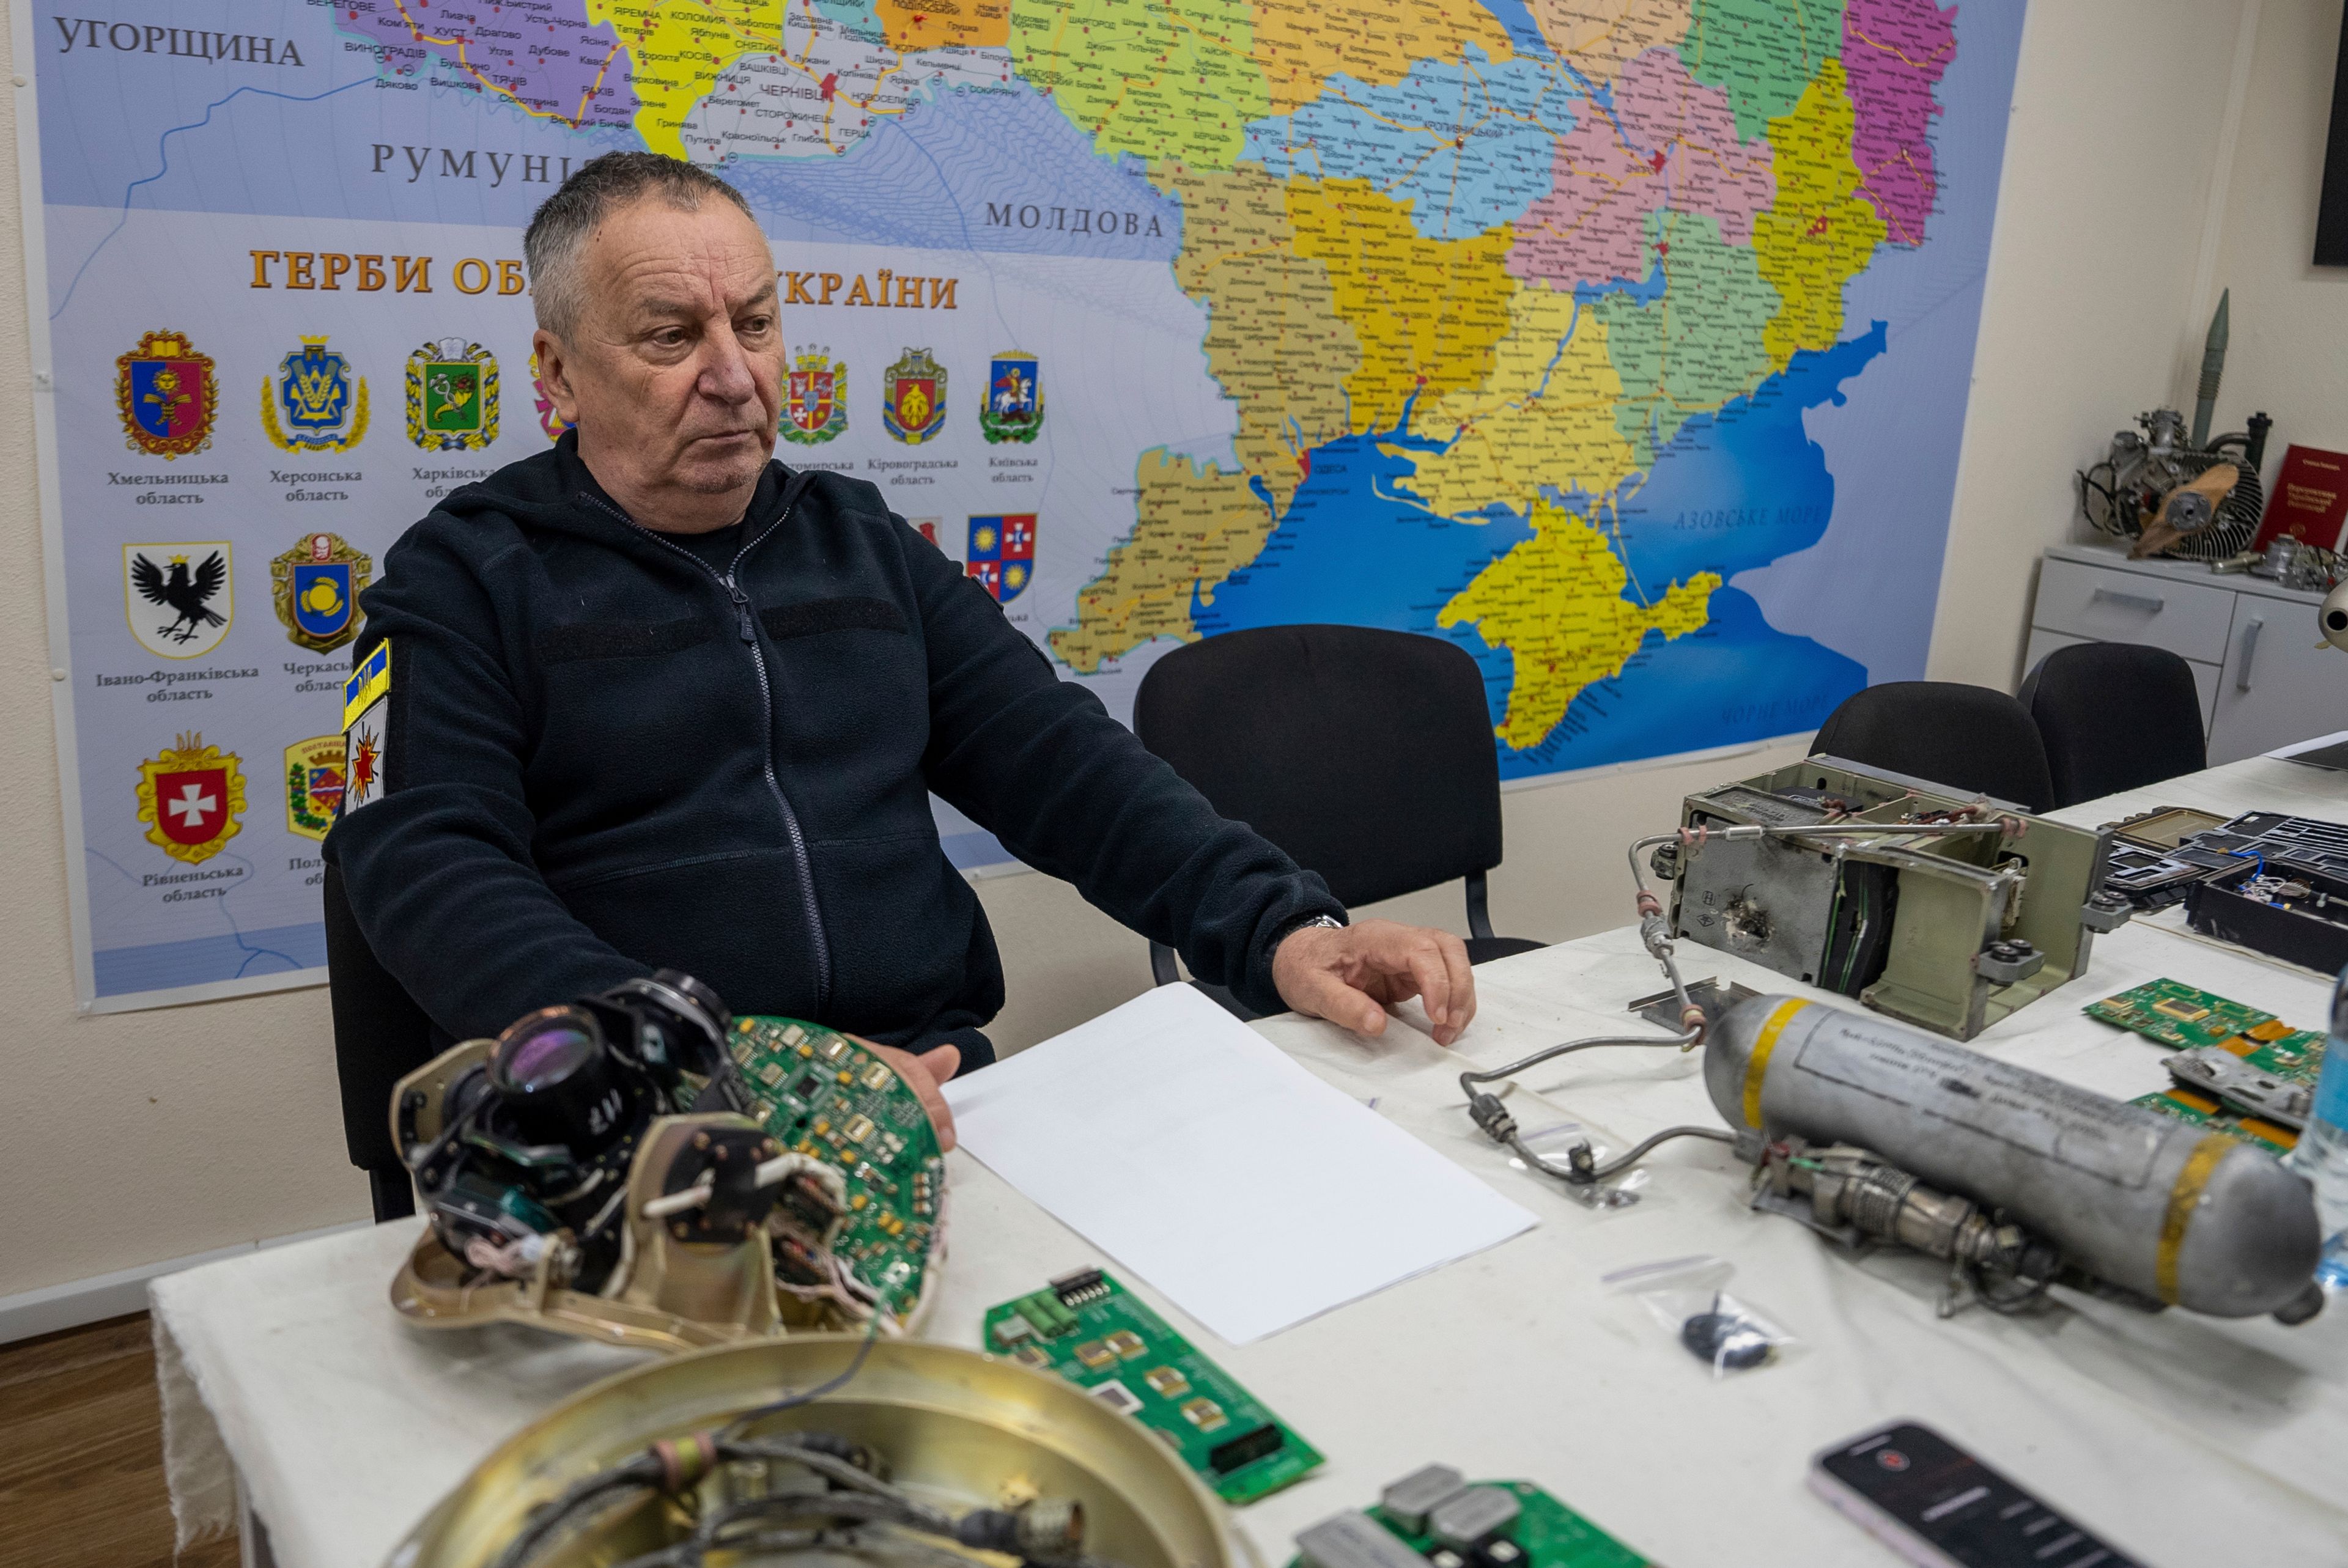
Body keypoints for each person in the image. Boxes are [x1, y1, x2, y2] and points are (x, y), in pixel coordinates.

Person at [325, 152, 1477, 1147]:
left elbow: (1063, 763)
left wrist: (1284, 926)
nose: (735, 376)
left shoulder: (861, 544)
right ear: (557, 373)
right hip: (655, 1127)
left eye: (758, 323)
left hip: (935, 1096)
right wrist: (725, 1073)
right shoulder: (462, 579)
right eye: (672, 336)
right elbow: (435, 875)